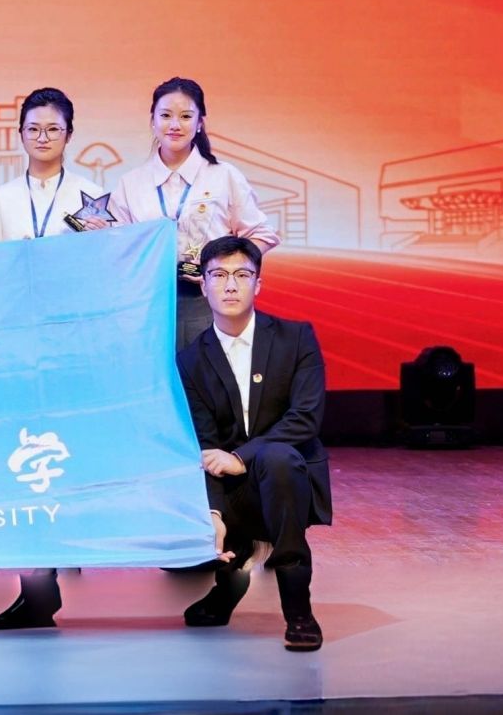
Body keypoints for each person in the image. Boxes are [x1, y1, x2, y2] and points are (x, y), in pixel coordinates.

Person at [0, 86, 110, 630]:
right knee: (21, 452)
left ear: (69, 135)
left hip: (70, 338)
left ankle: (58, 555)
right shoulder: (1, 198)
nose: (43, 137)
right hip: (15, 337)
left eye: (53, 128)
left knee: (63, 447)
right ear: (20, 135)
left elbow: (101, 269)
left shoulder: (92, 196)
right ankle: (37, 581)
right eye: (33, 128)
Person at [176, 236, 330, 651]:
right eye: (218, 275)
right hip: (232, 486)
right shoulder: (190, 360)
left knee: (277, 459)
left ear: (258, 284)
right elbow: (205, 444)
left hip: (288, 477)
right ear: (202, 284)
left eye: (242, 275)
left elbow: (305, 418)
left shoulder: (296, 338)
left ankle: (298, 609)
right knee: (212, 483)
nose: (230, 286)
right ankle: (230, 578)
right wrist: (212, 512)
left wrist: (241, 457)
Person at [110, 77, 281, 345]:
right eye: (165, 115)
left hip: (208, 302)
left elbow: (262, 234)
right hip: (147, 303)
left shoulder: (224, 176)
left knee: (208, 371)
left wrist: (223, 267)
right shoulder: (130, 183)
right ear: (152, 121)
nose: (175, 125)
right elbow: (119, 249)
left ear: (200, 122)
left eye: (186, 116)